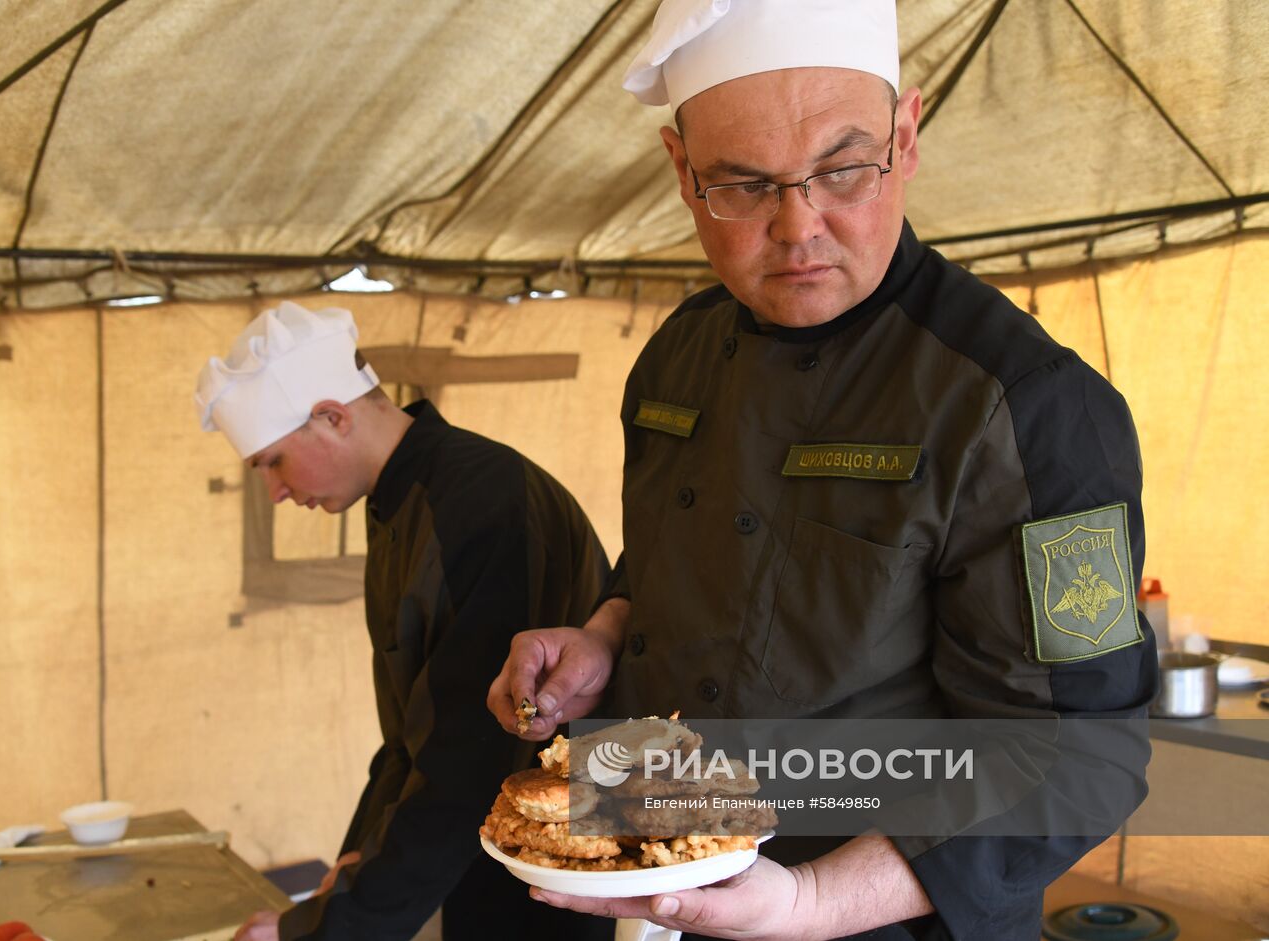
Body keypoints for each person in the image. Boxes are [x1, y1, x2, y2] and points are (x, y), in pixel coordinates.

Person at [487, 1, 1156, 938]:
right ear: (682, 171)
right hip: (660, 873)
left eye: (844, 169)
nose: (799, 227)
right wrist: (605, 631)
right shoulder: (675, 359)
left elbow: (1081, 755)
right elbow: (683, 567)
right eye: (743, 185)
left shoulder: (1025, 406)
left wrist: (807, 902)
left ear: (907, 136)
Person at [195, 301, 613, 941]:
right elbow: (409, 735)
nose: (275, 492)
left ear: (332, 417)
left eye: (273, 462)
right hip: (484, 849)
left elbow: (469, 756)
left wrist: (321, 929)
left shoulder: (481, 499)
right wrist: (354, 862)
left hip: (556, 856)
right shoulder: (399, 506)